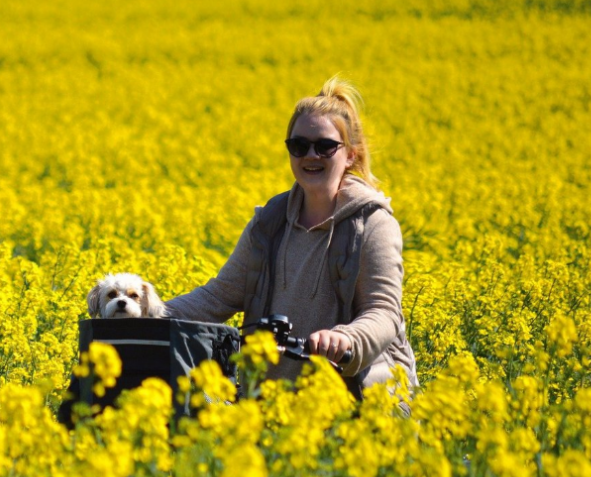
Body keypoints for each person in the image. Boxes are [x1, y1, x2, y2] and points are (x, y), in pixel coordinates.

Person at [165, 77, 417, 398]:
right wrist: (145, 313)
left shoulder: (371, 221)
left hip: (359, 405)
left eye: (325, 146)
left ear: (350, 155)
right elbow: (218, 297)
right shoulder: (270, 221)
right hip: (274, 405)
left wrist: (347, 340)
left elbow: (383, 311)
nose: (311, 155)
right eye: (299, 146)